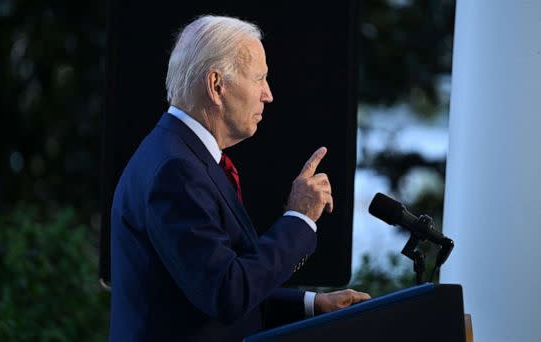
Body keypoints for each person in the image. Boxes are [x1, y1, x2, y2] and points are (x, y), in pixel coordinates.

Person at [109, 15, 370, 341]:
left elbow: (212, 285)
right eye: (259, 78)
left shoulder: (179, 154)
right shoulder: (175, 171)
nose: (268, 94)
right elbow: (227, 293)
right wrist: (299, 219)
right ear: (216, 85)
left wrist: (312, 304)